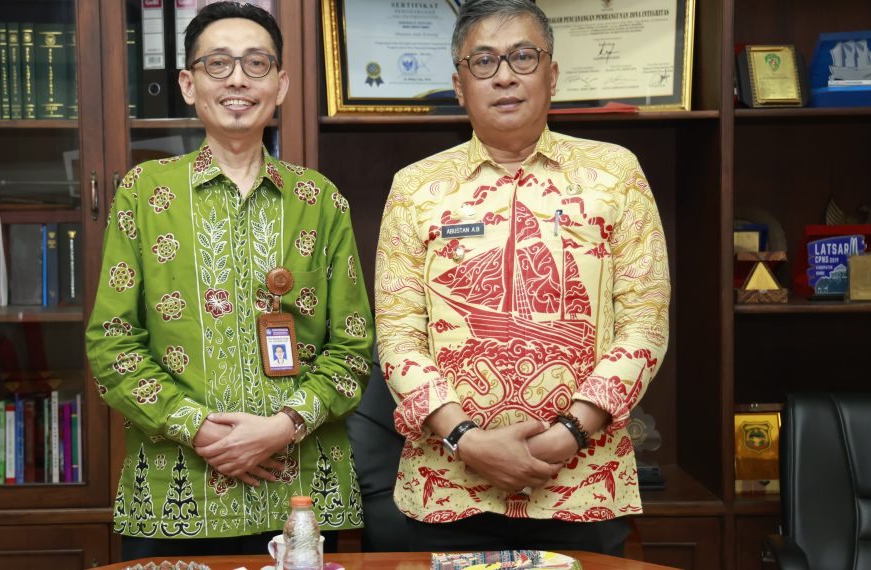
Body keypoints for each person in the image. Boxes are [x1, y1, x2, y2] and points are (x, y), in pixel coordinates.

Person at [374, 0, 670, 556]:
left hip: (582, 485)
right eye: (483, 61)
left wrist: (569, 434)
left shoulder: (615, 173)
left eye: (523, 57)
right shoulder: (415, 187)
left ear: (552, 75)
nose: (505, 76)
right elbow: (397, 336)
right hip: (449, 488)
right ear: (459, 85)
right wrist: (467, 440)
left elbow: (644, 326)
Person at [86, 2, 374, 560]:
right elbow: (111, 342)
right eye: (218, 64)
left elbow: (353, 349)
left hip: (301, 494)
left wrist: (282, 426)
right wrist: (199, 429)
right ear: (188, 85)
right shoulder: (144, 192)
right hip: (175, 492)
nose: (237, 79)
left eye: (256, 64)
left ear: (281, 84)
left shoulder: (319, 200)